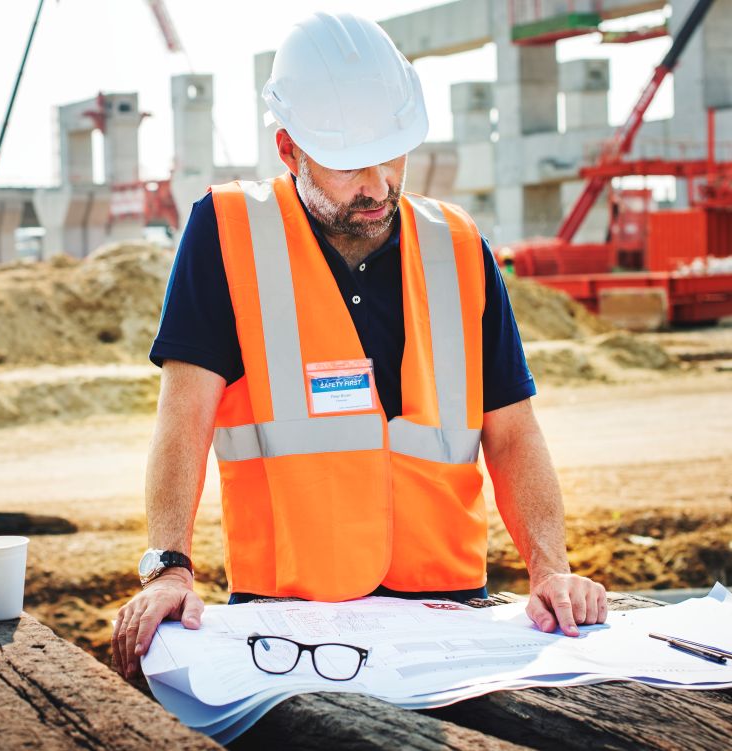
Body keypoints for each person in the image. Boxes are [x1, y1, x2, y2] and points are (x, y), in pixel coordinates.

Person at [112, 12, 607, 679]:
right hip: (289, 626)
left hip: (447, 616)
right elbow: (183, 421)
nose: (376, 184)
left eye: (391, 152)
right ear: (289, 149)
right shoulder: (228, 233)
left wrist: (552, 568)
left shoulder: (460, 249)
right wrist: (168, 565)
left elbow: (513, 432)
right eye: (348, 164)